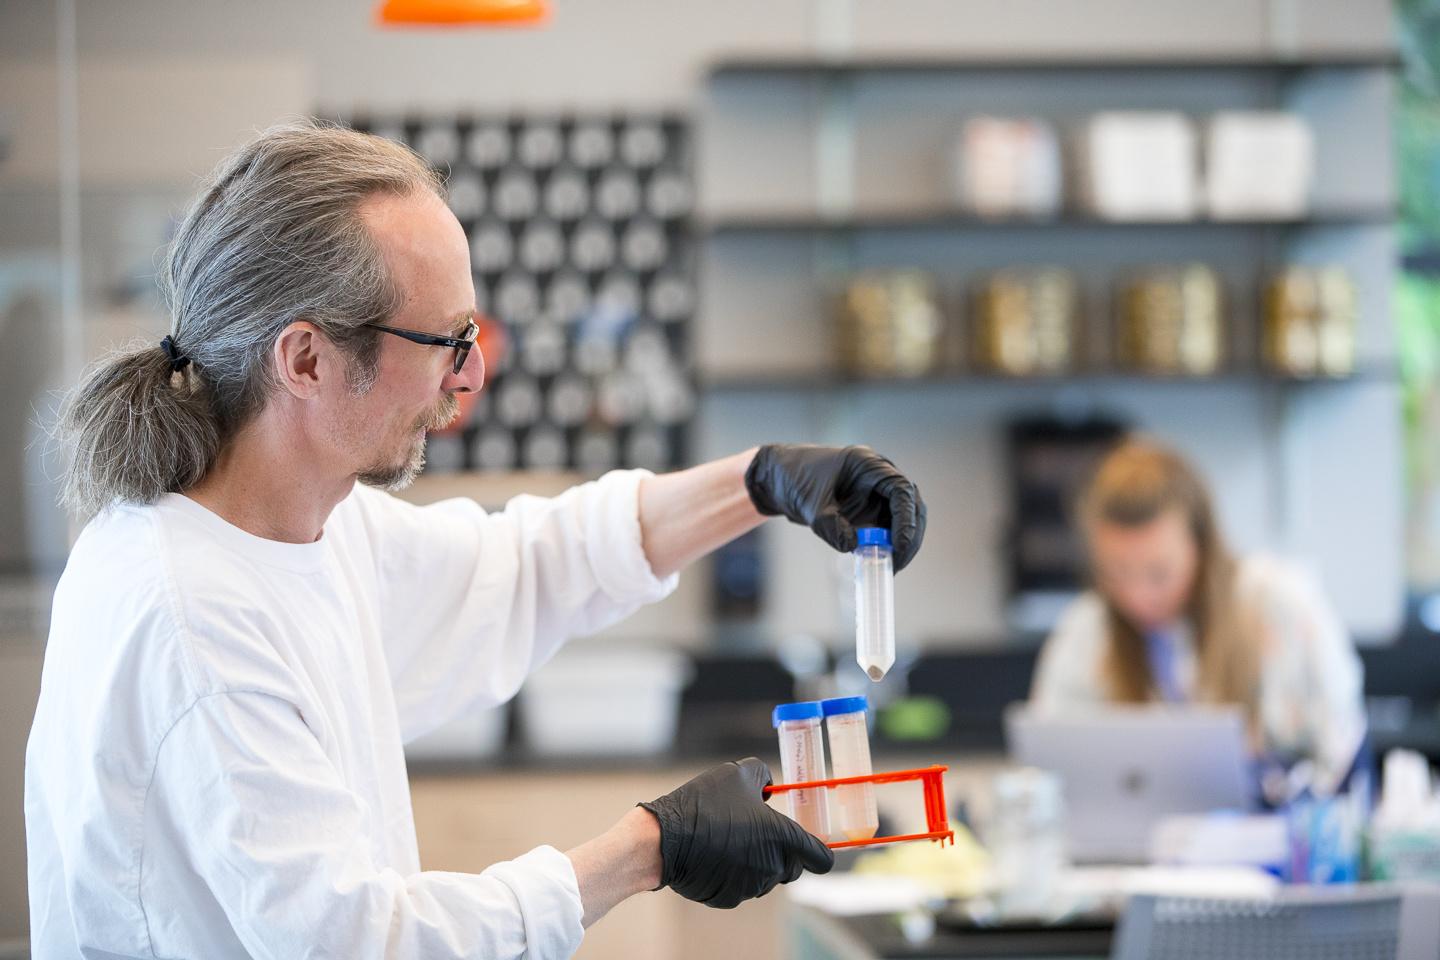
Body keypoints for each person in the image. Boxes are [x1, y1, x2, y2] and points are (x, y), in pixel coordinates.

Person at [24, 120, 928, 960]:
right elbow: (359, 942)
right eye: (449, 339)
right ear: (305, 360)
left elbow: (527, 566)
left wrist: (762, 480)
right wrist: (645, 849)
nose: (473, 373)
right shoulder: (193, 619)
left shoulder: (317, 527)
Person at [1029, 438, 1365, 798]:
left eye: (1158, 573)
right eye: (1115, 573)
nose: (1137, 596)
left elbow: (1338, 754)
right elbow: (1048, 766)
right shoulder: (1087, 630)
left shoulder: (1279, 605)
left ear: (1202, 548)